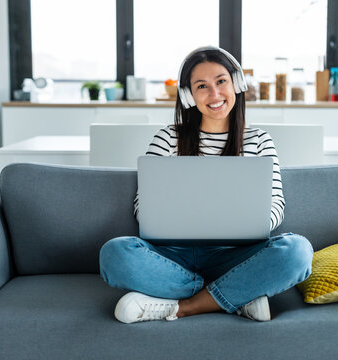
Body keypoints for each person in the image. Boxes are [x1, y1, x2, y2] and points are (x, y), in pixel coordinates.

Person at [99, 46, 313, 324]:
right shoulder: (167, 138)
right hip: (172, 255)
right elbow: (143, 208)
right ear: (188, 95)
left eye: (221, 81)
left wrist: (246, 223)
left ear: (236, 84)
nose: (214, 94)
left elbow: (275, 206)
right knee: (115, 254)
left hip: (236, 256)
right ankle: (236, 295)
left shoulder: (259, 140)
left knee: (297, 252)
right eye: (202, 86)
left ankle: (184, 306)